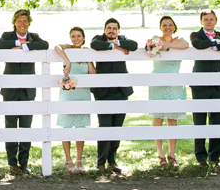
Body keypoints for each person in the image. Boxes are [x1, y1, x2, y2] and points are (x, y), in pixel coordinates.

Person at [0, 9, 49, 175]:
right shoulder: (7, 36)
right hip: (10, 89)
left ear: (29, 23)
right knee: (11, 126)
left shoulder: (34, 37)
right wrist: (19, 44)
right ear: (14, 22)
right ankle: (12, 163)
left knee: (26, 127)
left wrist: (27, 45)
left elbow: (45, 45)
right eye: (19, 21)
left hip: (28, 89)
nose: (22, 24)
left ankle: (24, 162)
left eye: (25, 21)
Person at [189, 10, 220, 170]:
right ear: (201, 21)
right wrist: (216, 43)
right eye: (206, 19)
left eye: (211, 19)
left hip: (217, 83)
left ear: (216, 20)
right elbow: (198, 44)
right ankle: (201, 156)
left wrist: (219, 41)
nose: (209, 22)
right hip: (200, 83)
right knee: (200, 120)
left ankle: (215, 156)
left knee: (217, 119)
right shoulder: (195, 34)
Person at [89, 18, 137, 175]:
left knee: (117, 128)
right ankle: (100, 163)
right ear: (104, 30)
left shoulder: (124, 40)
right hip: (104, 92)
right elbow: (95, 45)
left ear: (118, 31)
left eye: (114, 28)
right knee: (104, 127)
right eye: (109, 28)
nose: (111, 30)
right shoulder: (98, 39)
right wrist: (113, 46)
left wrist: (119, 43)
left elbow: (134, 46)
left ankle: (112, 161)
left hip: (121, 91)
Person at [146, 15, 189, 169]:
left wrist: (167, 45)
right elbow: (153, 44)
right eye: (164, 25)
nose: (167, 27)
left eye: (170, 24)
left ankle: (172, 154)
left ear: (174, 26)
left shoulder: (180, 40)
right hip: (158, 81)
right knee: (158, 119)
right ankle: (161, 155)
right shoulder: (155, 39)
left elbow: (186, 45)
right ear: (160, 27)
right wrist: (162, 44)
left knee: (172, 119)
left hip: (174, 83)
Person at [53, 27, 93, 173]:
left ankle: (79, 159)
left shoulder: (86, 52)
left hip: (83, 95)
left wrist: (88, 59)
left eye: (79, 36)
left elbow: (93, 73)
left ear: (83, 37)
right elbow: (56, 47)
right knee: (67, 127)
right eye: (73, 36)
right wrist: (67, 62)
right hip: (68, 95)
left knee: (81, 128)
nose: (76, 39)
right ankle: (68, 160)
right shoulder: (68, 51)